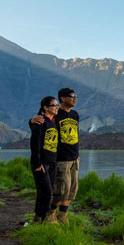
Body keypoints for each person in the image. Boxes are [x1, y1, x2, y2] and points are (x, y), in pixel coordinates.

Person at [31, 87, 79, 224]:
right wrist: (31, 120)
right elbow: (37, 135)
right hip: (58, 159)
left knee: (71, 188)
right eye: (72, 96)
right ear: (63, 98)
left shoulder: (74, 115)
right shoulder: (54, 117)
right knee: (57, 189)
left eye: (76, 96)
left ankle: (61, 215)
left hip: (74, 158)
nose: (75, 98)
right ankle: (48, 215)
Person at [30, 96, 60, 223]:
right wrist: (37, 163)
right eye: (53, 105)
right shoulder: (40, 121)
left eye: (57, 105)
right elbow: (35, 142)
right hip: (42, 163)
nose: (56, 107)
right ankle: (44, 218)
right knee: (47, 192)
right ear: (45, 107)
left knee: (45, 192)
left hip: (52, 162)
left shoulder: (53, 121)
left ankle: (38, 219)